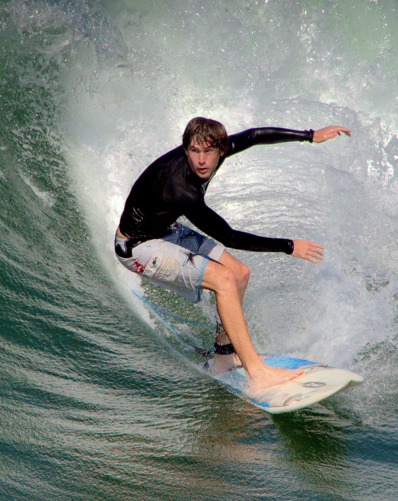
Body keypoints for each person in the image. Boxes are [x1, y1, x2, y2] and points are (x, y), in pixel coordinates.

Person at [115, 116, 351, 392]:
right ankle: (257, 373)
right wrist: (288, 246)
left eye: (208, 151)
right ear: (185, 149)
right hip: (137, 246)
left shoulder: (216, 152)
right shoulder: (182, 189)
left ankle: (224, 357)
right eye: (194, 151)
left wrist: (310, 135)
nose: (201, 160)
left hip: (165, 228)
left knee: (239, 273)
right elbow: (229, 236)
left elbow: (253, 136)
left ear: (221, 149)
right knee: (223, 279)